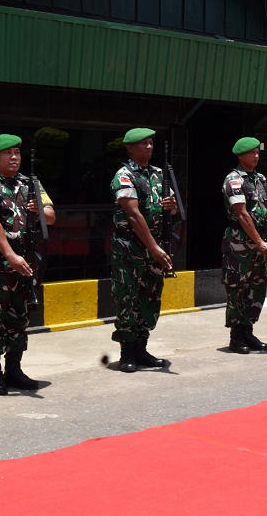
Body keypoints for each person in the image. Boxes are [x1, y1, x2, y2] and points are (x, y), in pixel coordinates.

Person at [0, 134, 56, 395]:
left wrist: (39, 210)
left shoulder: (31, 184)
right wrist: (10, 256)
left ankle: (14, 370)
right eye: (7, 153)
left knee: (20, 315)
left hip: (26, 259)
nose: (13, 157)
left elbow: (51, 216)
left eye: (16, 152)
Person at [109, 128, 179, 373]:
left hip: (155, 247)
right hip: (130, 247)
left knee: (150, 297)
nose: (148, 146)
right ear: (130, 148)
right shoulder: (124, 175)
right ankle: (127, 352)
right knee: (127, 297)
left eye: (150, 143)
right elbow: (133, 215)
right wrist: (154, 247)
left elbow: (171, 209)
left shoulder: (159, 174)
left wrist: (170, 206)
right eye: (143, 143)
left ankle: (141, 348)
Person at [221, 137, 267, 353]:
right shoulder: (234, 179)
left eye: (257, 152)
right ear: (240, 156)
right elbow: (242, 214)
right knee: (237, 288)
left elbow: (260, 208)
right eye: (251, 153)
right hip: (240, 242)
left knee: (256, 287)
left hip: (258, 241)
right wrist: (260, 242)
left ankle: (248, 331)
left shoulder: (261, 179)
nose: (256, 156)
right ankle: (236, 337)